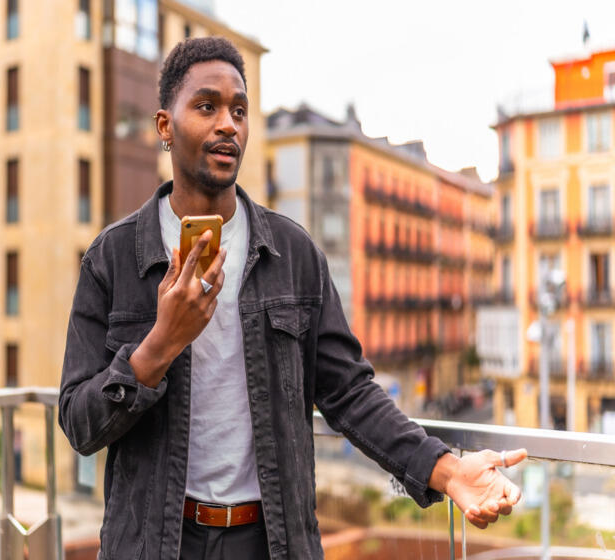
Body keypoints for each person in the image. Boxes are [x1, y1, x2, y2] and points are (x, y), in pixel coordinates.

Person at [58, 37, 526, 560]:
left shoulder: (294, 255)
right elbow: (78, 421)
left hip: (271, 541)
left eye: (239, 110)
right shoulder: (113, 258)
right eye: (207, 106)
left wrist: (448, 470)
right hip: (153, 543)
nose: (227, 125)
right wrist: (159, 346)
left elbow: (350, 393)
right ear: (165, 126)